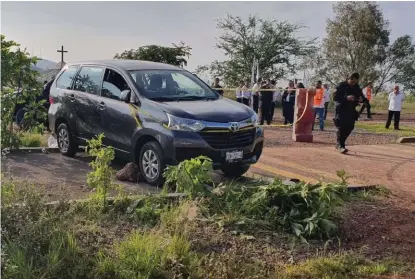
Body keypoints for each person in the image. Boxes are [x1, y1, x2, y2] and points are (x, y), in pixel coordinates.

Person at [333, 73, 365, 154]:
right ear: (349, 79)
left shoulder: (357, 88)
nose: (354, 83)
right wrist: (346, 98)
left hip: (351, 110)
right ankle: (341, 145)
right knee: (342, 127)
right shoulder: (341, 86)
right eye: (352, 81)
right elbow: (335, 97)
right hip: (341, 109)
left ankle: (339, 143)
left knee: (350, 127)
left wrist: (361, 99)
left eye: (355, 82)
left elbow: (361, 97)